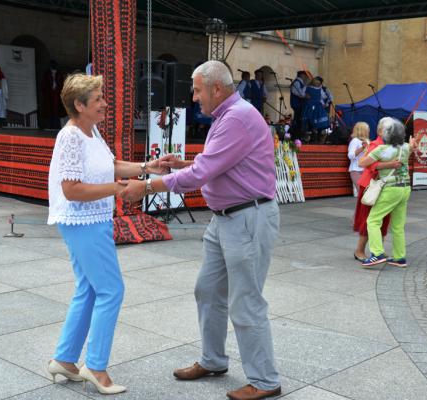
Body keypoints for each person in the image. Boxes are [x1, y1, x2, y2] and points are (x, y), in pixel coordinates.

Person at [120, 60, 282, 400]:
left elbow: (203, 173)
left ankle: (265, 381)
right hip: (225, 219)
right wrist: (186, 164)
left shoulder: (236, 117)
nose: (193, 97)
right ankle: (213, 360)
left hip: (246, 219)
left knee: (246, 303)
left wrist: (147, 187)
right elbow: (217, 164)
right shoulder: (230, 115)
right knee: (207, 290)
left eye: (196, 89)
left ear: (216, 89)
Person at [46, 73, 167, 394]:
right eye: (97, 99)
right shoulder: (70, 137)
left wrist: (146, 168)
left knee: (88, 289)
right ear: (79, 105)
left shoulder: (91, 131)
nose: (104, 103)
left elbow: (109, 163)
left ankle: (65, 359)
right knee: (111, 290)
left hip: (92, 219)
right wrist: (119, 189)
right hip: (80, 220)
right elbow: (71, 190)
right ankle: (95, 367)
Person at [359, 117, 412, 268]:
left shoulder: (381, 149)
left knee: (373, 220)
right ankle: (400, 257)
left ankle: (377, 253)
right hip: (405, 188)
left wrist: (367, 149)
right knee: (398, 225)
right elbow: (411, 148)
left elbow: (361, 163)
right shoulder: (406, 147)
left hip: (390, 189)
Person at [352, 118, 395, 262]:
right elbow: (370, 165)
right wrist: (392, 164)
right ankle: (359, 250)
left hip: (384, 186)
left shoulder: (391, 145)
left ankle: (378, 251)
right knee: (368, 220)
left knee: (384, 219)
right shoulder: (375, 145)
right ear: (380, 131)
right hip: (371, 186)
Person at [302, 78, 330, 144]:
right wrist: (305, 96)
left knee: (318, 121)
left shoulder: (320, 90)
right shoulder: (307, 88)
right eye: (316, 83)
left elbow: (323, 97)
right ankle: (310, 137)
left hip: (317, 107)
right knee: (309, 121)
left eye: (318, 83)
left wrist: (323, 103)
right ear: (313, 82)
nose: (317, 84)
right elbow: (302, 94)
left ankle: (317, 136)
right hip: (309, 106)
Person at [348, 122, 369, 197]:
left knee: (366, 193)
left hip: (365, 169)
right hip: (356, 170)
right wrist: (362, 148)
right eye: (367, 129)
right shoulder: (355, 141)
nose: (368, 131)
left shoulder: (367, 140)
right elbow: (351, 156)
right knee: (362, 193)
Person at [289, 71, 308, 140]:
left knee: (298, 119)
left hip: (299, 104)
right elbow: (297, 92)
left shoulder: (300, 83)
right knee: (297, 119)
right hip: (297, 103)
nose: (306, 77)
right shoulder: (297, 82)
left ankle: (296, 134)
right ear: (301, 75)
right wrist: (304, 96)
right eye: (305, 75)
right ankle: (294, 134)